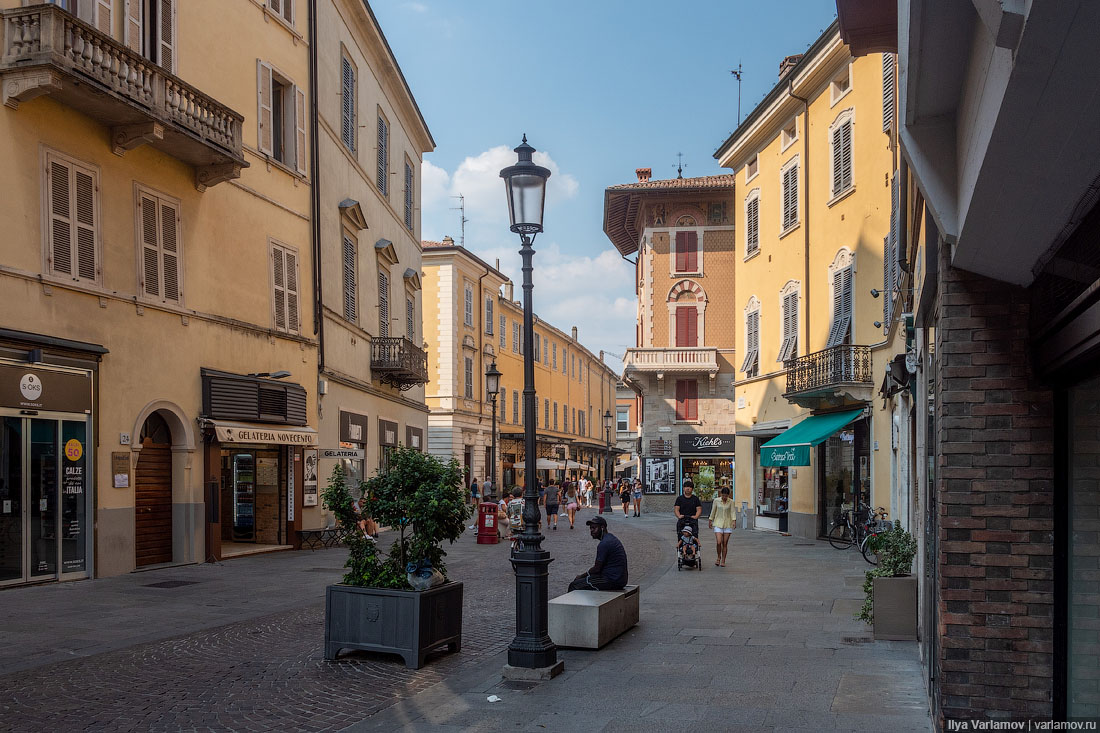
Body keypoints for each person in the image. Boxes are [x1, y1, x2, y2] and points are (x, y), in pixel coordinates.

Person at [568, 515, 628, 591]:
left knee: (574, 585)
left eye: (594, 528)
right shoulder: (610, 538)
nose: (591, 531)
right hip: (619, 578)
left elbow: (597, 569)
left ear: (602, 528)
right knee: (583, 582)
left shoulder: (604, 544)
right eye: (590, 528)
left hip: (612, 580)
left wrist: (581, 576)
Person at [709, 486, 736, 567]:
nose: (724, 497)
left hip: (727, 524)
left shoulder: (731, 502)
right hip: (718, 523)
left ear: (728, 495)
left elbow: (732, 512)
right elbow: (713, 510)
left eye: (726, 496)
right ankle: (718, 557)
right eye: (723, 495)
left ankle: (723, 560)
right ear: (721, 494)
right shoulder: (716, 501)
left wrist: (734, 521)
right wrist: (710, 520)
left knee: (725, 543)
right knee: (719, 542)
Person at [674, 479, 703, 545]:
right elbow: (676, 509)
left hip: (692, 520)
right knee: (681, 535)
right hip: (682, 519)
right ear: (683, 488)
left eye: (690, 487)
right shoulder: (679, 499)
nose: (688, 489)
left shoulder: (695, 499)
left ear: (692, 489)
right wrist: (679, 516)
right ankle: (681, 549)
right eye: (686, 487)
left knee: (694, 535)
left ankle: (695, 549)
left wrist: (696, 516)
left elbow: (699, 509)